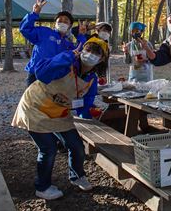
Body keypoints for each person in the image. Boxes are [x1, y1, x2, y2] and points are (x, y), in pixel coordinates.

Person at [11, 37, 109, 200]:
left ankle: (77, 176)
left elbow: (84, 104)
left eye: (96, 53)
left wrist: (91, 113)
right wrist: (68, 56)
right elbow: (41, 72)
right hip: (35, 107)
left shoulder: (91, 79)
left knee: (76, 146)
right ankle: (42, 187)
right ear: (81, 50)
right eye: (88, 50)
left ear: (102, 59)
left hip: (59, 112)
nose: (90, 55)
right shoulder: (66, 62)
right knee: (48, 148)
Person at [20, 0, 87, 86]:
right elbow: (25, 29)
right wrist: (34, 13)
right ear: (55, 23)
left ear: (70, 25)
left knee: (50, 100)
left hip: (56, 77)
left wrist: (81, 35)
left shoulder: (68, 43)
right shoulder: (44, 32)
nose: (62, 22)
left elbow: (78, 52)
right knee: (33, 100)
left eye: (66, 21)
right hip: (35, 74)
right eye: (59, 21)